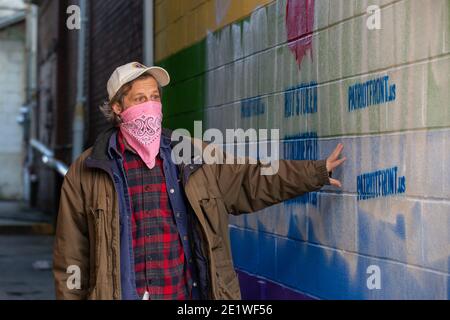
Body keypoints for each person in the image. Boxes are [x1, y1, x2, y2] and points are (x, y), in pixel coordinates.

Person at [53, 61, 346, 300]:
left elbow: (251, 179)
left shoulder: (191, 155)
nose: (150, 106)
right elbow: (71, 259)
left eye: (155, 98)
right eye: (140, 99)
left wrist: (315, 172)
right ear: (118, 108)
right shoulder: (88, 170)